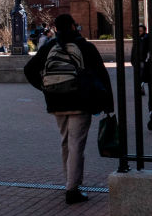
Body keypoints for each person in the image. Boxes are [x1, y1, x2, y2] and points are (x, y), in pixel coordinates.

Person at [24, 14, 112, 205]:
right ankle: (73, 189)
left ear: (56, 28)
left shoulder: (49, 46)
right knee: (76, 145)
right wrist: (108, 104)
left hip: (56, 101)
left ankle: (69, 183)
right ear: (73, 26)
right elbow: (102, 75)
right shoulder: (85, 47)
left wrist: (45, 88)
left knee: (66, 142)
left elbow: (29, 70)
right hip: (80, 101)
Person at [130, 24, 148, 96]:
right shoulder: (136, 38)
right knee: (139, 76)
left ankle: (142, 88)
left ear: (144, 31)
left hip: (144, 60)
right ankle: (141, 89)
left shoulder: (147, 38)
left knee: (143, 76)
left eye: (140, 31)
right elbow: (133, 50)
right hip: (137, 60)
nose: (139, 32)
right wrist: (132, 60)